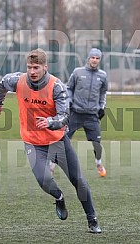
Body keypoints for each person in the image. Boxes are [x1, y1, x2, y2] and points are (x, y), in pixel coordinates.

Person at [0, 48, 102, 233]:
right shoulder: (18, 80)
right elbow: (2, 83)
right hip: (33, 143)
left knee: (79, 181)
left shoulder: (56, 86)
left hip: (58, 142)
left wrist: (50, 122)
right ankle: (59, 198)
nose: (32, 71)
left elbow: (65, 116)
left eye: (36, 67)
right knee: (43, 179)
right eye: (29, 67)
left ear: (45, 67)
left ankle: (92, 220)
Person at [66, 48, 108, 177]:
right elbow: (69, 88)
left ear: (99, 60)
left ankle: (99, 163)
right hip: (76, 113)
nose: (94, 60)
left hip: (92, 115)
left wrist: (102, 107)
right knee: (63, 139)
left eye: (97, 58)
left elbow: (103, 93)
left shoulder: (103, 75)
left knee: (97, 143)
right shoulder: (78, 72)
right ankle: (51, 164)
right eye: (93, 57)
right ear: (88, 58)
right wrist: (69, 102)